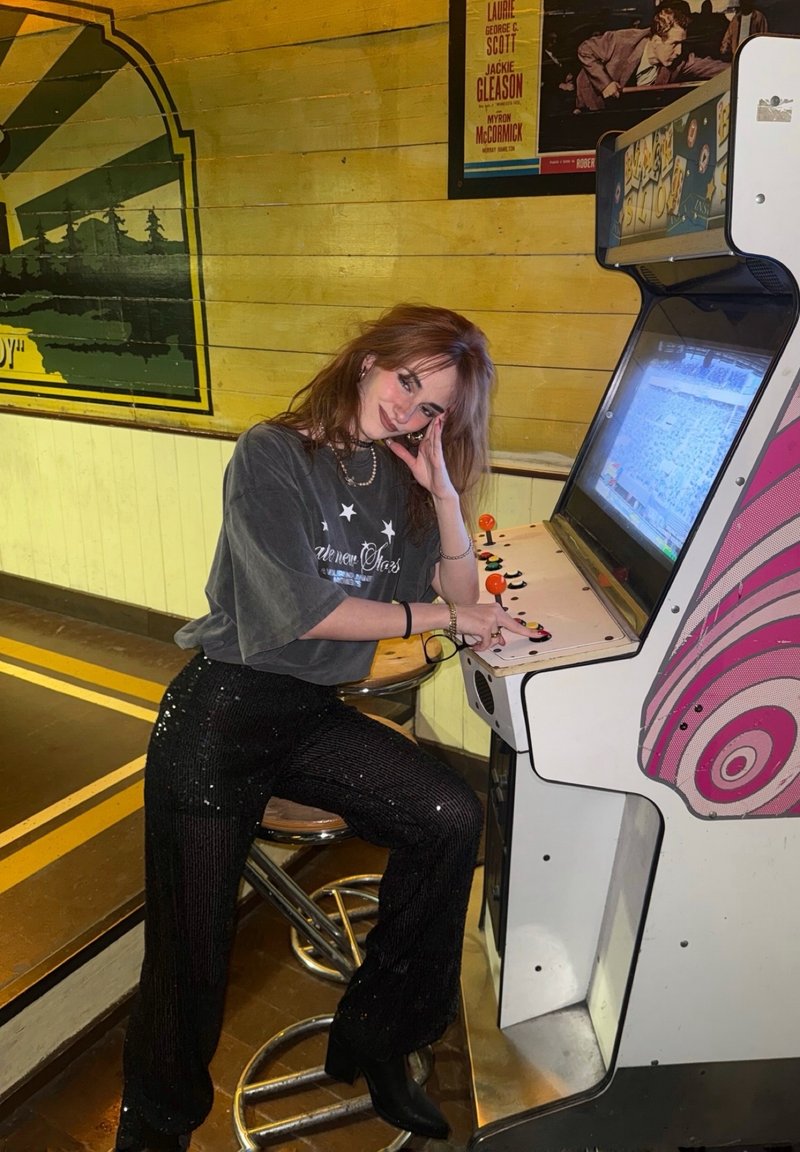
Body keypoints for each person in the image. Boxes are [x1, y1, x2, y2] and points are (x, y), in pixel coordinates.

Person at [113, 303, 543, 1151]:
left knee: (451, 818)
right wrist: (442, 618)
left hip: (308, 716)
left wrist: (446, 495)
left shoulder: (405, 474)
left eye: (432, 407)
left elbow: (463, 595)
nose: (409, 409)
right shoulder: (272, 455)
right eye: (406, 380)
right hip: (221, 715)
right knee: (189, 959)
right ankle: (153, 1129)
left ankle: (379, 1038)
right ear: (368, 358)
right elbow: (302, 613)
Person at [574, 3, 726, 112]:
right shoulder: (622, 41)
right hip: (591, 103)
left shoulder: (679, 60)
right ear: (655, 41)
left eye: (681, 44)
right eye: (674, 44)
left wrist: (744, 64)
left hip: (626, 110)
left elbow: (710, 67)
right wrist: (605, 84)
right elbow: (585, 50)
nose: (679, 51)